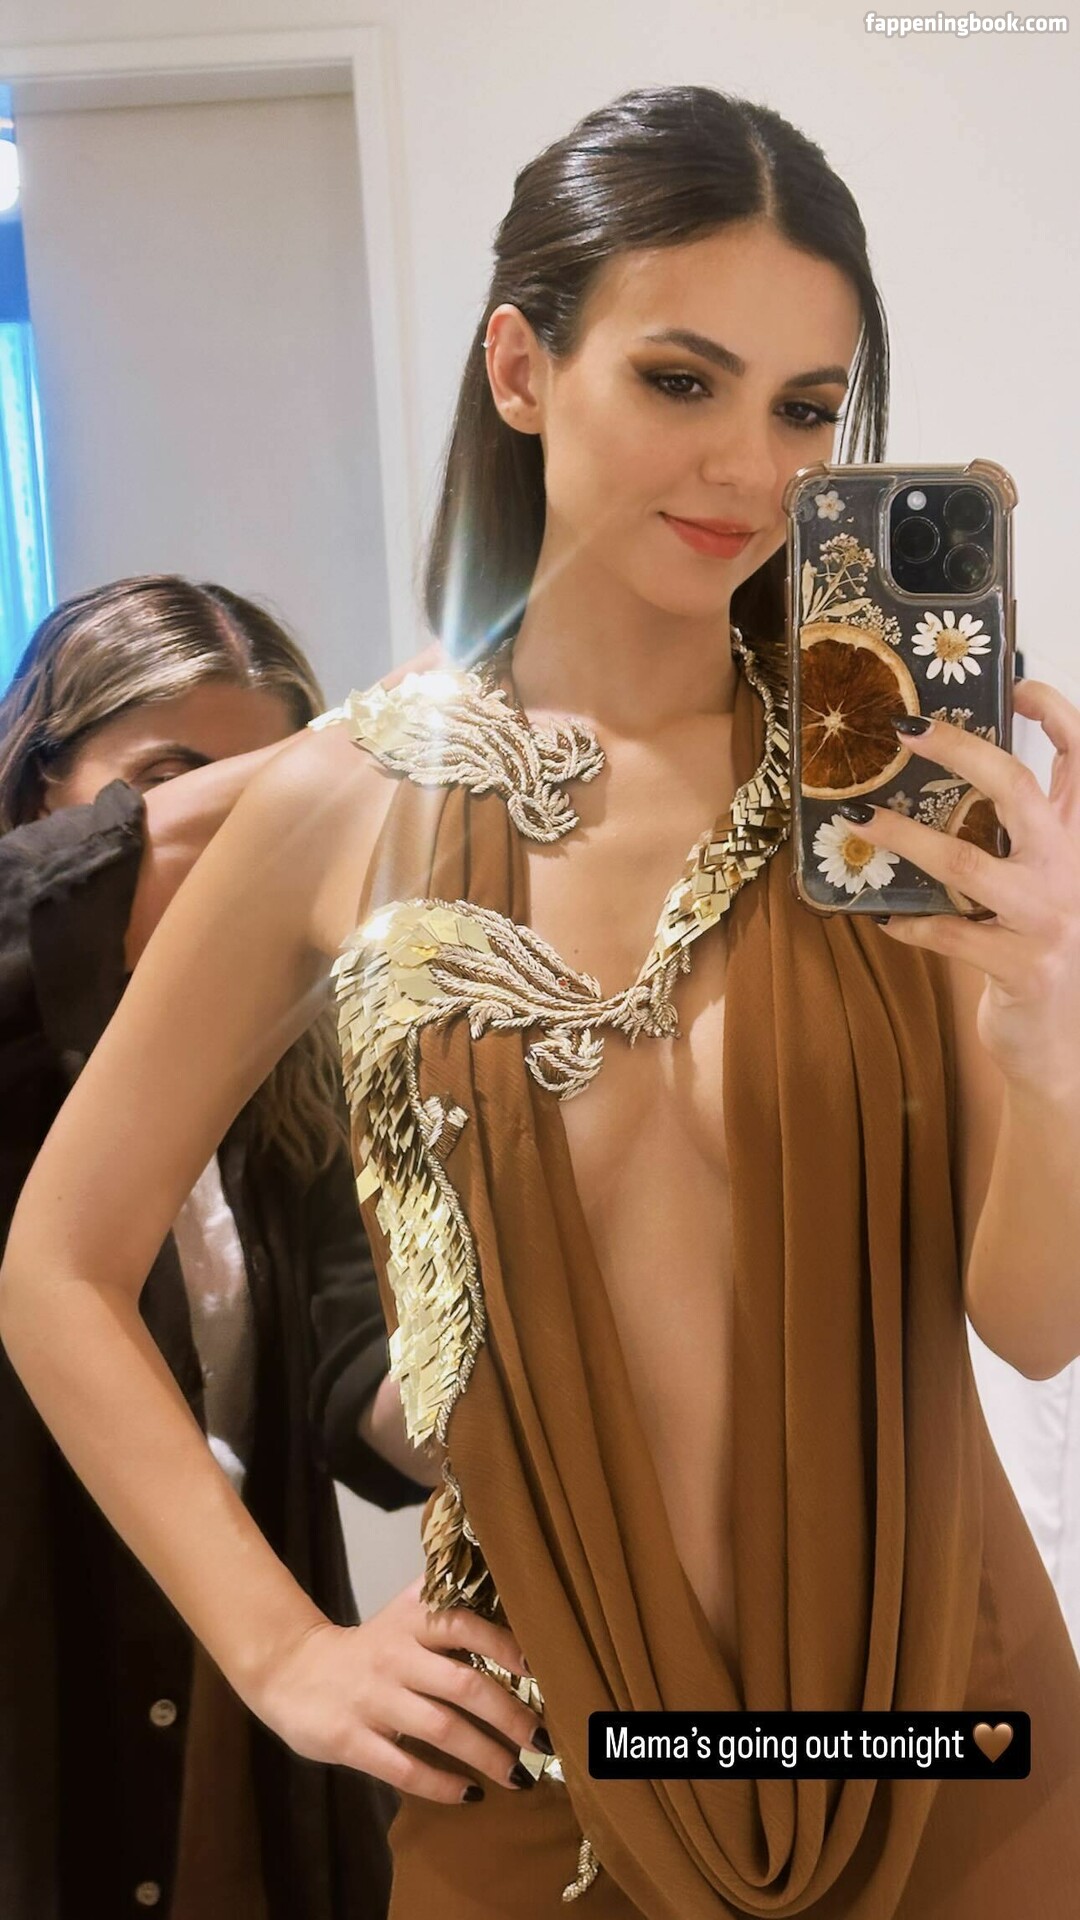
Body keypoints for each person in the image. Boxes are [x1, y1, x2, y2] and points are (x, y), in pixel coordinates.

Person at [3, 87, 1080, 1920]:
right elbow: (57, 1266)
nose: (748, 468)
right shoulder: (338, 804)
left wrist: (1048, 1037)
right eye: (682, 379)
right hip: (543, 1782)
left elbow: (1035, 1323)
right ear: (521, 367)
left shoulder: (889, 786)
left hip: (949, 1748)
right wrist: (282, 1651)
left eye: (803, 407)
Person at [0, 576, 431, 1920]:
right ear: (44, 789)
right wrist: (327, 771)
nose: (247, 842)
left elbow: (364, 1388)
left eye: (278, 789)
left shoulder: (288, 1088)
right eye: (169, 777)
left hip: (239, 1753)